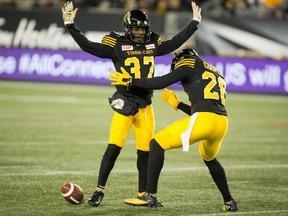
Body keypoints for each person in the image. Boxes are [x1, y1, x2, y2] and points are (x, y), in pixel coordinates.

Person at [61, 1, 202, 207]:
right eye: (136, 28)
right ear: (128, 28)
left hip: (146, 103)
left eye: (143, 28)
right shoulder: (116, 43)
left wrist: (194, 22)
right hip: (125, 101)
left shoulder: (152, 42)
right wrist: (70, 26)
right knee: (114, 147)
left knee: (145, 152)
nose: (139, 32)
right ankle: (99, 189)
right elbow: (89, 47)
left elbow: (174, 42)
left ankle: (143, 193)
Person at [109, 48, 238, 211]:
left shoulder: (188, 62)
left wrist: (131, 81)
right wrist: (177, 104)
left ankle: (150, 195)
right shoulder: (213, 70)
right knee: (209, 158)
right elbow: (204, 108)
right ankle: (229, 202)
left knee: (156, 144)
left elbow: (161, 82)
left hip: (204, 120)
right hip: (221, 123)